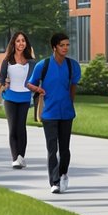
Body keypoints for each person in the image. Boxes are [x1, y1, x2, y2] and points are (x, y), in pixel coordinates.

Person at [28, 33, 82, 194]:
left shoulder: (72, 66)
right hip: (49, 113)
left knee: (64, 149)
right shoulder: (43, 65)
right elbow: (30, 83)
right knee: (52, 148)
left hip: (66, 112)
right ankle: (55, 182)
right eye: (62, 45)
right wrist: (39, 90)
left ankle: (63, 173)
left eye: (67, 45)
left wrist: (70, 103)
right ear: (54, 47)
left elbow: (73, 87)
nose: (65, 48)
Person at [0, 31, 35, 168]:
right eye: (18, 41)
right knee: (12, 128)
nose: (21, 43)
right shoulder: (7, 61)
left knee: (21, 127)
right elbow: (1, 80)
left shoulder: (31, 62)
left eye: (23, 40)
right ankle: (15, 158)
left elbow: (36, 80)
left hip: (25, 98)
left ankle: (21, 156)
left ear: (26, 43)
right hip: (10, 98)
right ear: (14, 43)